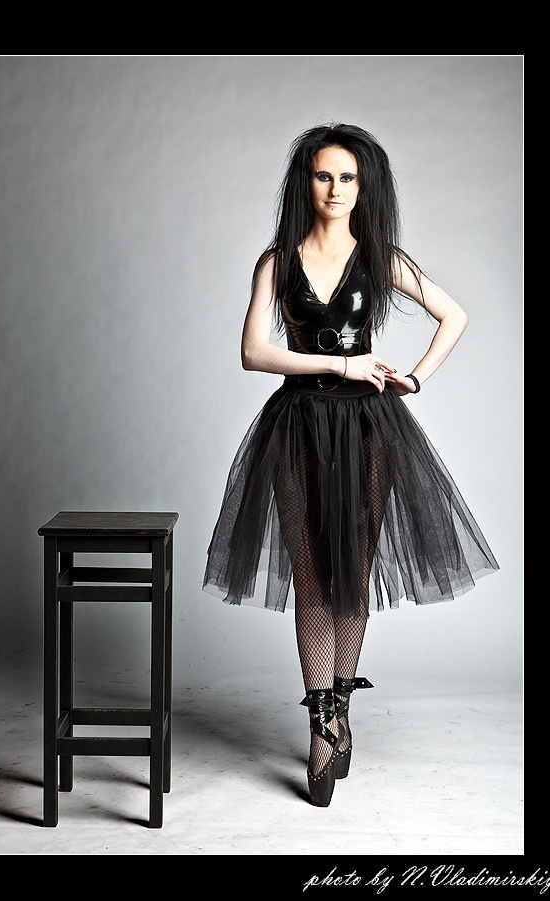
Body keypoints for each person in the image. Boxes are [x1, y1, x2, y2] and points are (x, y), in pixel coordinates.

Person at [203, 123, 498, 807]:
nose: (334, 189)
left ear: (364, 187)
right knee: (310, 571)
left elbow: (453, 315)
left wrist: (414, 378)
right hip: (298, 425)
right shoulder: (277, 262)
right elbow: (253, 352)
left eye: (347, 178)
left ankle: (339, 711)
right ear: (304, 182)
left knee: (352, 572)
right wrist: (342, 364)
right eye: (322, 176)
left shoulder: (381, 257)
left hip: (368, 431)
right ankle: (322, 726)